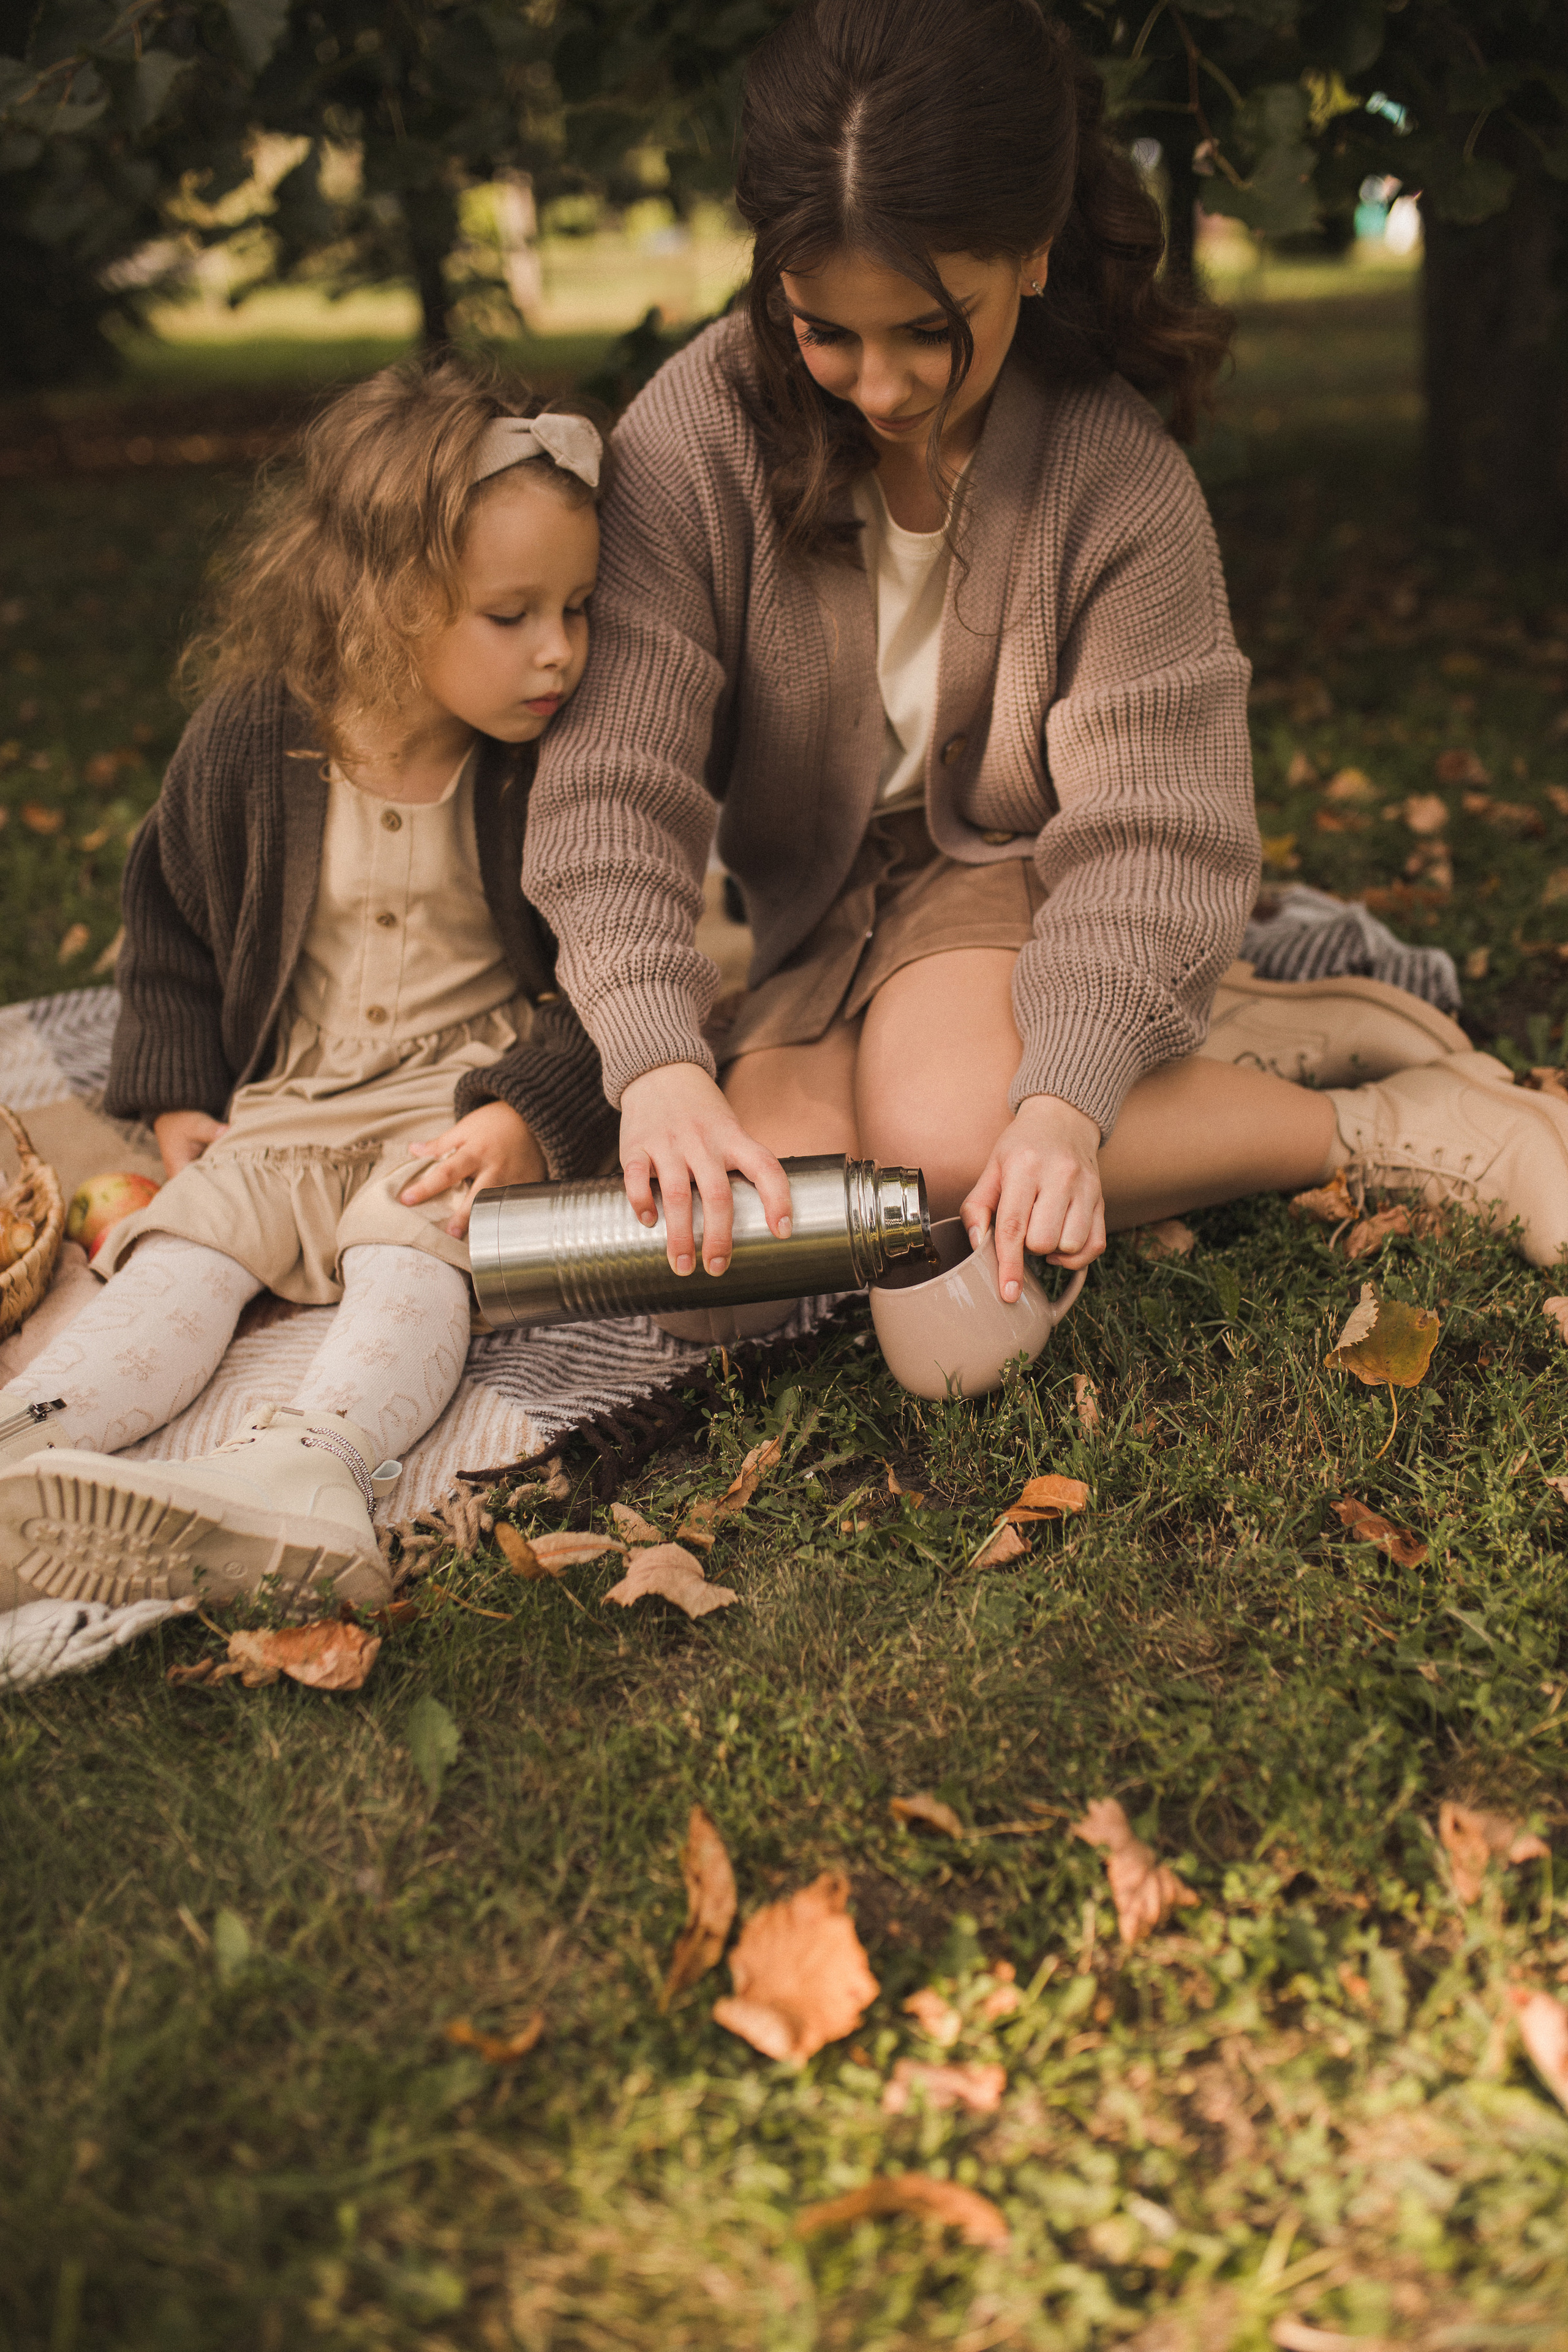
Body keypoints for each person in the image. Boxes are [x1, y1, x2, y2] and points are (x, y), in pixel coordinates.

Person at [522, 0, 1568, 1333]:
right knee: (717, 1265)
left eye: (927, 329)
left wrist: (1065, 1100)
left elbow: (1153, 829)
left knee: (951, 1145)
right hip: (819, 910)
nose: (880, 387)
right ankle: (1234, 1027)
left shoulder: (1116, 478)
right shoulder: (693, 434)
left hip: (1023, 866)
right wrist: (656, 1065)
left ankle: (1390, 1125)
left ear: (1030, 253)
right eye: (825, 331)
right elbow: (612, 780)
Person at [0, 361, 616, 1611]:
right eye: (511, 615)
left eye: (578, 608)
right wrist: (180, 1094)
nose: (558, 650)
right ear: (387, 602)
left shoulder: (556, 761)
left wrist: (524, 1113)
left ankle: (312, 1472)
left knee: (415, 1259)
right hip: (291, 1099)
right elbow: (169, 923)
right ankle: (30, 1443)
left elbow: (617, 968)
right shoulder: (251, 740)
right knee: (178, 1259)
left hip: (455, 1106)